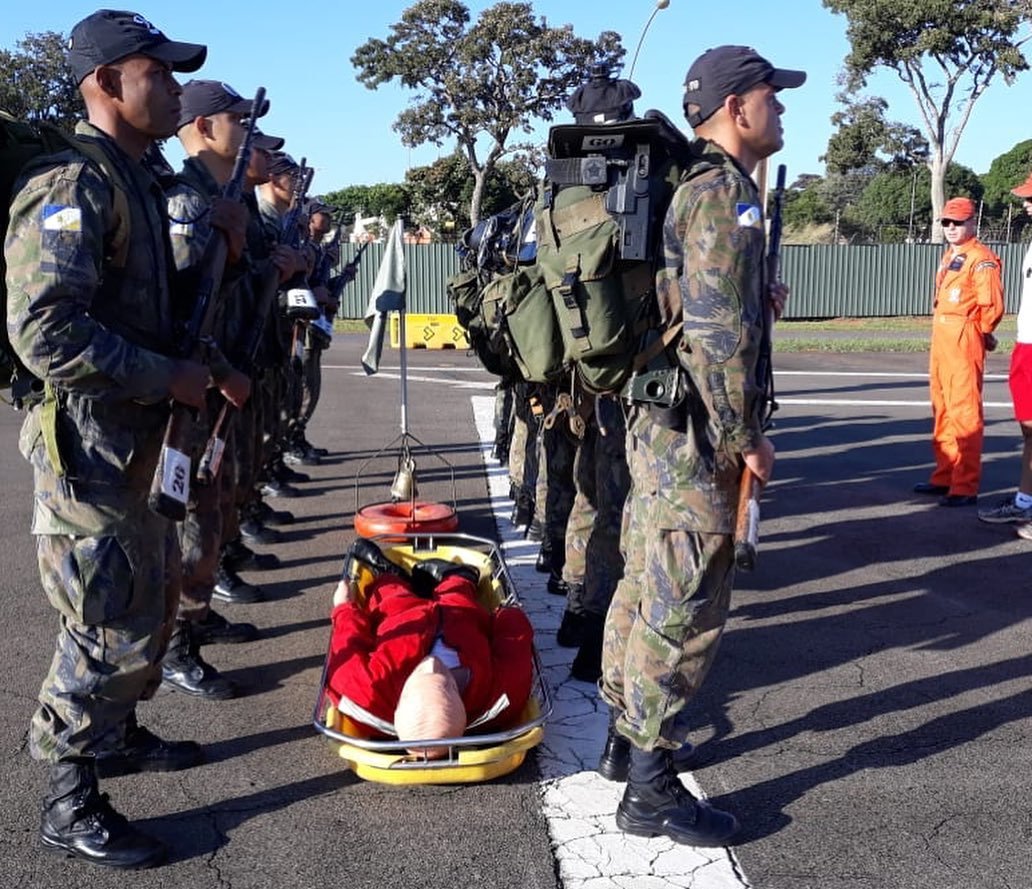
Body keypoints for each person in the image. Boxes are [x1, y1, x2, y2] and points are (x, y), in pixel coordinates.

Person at [4, 10, 220, 868]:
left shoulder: (135, 175)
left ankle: (116, 734)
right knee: (103, 625)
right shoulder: (73, 182)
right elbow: (43, 330)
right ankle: (66, 794)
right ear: (103, 83)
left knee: (150, 604)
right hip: (88, 452)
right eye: (155, 74)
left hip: (136, 447)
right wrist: (163, 375)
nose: (171, 88)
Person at [597, 45, 803, 847]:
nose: (780, 110)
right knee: (685, 605)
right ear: (735, 107)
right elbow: (717, 335)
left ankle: (624, 741)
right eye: (770, 97)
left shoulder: (693, 188)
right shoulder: (722, 193)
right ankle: (649, 784)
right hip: (695, 435)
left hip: (662, 424)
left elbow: (702, 306)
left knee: (646, 585)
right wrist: (745, 436)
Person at [161, 78, 264, 700]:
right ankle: (175, 645)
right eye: (236, 119)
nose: (246, 131)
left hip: (215, 382)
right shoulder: (185, 198)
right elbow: (176, 306)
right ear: (202, 128)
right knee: (187, 523)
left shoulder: (222, 199)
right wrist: (223, 372)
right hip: (189, 389)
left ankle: (192, 624)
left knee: (213, 510)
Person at [324, 546, 535, 757]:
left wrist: (343, 608)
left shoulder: (368, 693)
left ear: (397, 707)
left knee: (389, 596)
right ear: (462, 707)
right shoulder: (497, 697)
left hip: (403, 619)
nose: (433, 663)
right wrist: (507, 616)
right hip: (459, 618)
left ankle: (389, 575)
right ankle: (459, 576)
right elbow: (515, 645)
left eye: (419, 676)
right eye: (449, 683)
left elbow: (348, 641)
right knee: (460, 597)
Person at [913, 196, 1004, 506]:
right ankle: (945, 474)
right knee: (942, 407)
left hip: (963, 335)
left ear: (972, 222)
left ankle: (964, 485)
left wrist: (981, 334)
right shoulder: (951, 256)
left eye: (958, 222)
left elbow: (990, 306)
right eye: (946, 222)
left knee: (964, 410)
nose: (951, 228)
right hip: (943, 335)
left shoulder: (981, 258)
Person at [979, 173, 1032, 533]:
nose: (1027, 204)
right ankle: (1024, 503)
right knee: (1029, 431)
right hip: (1026, 344)